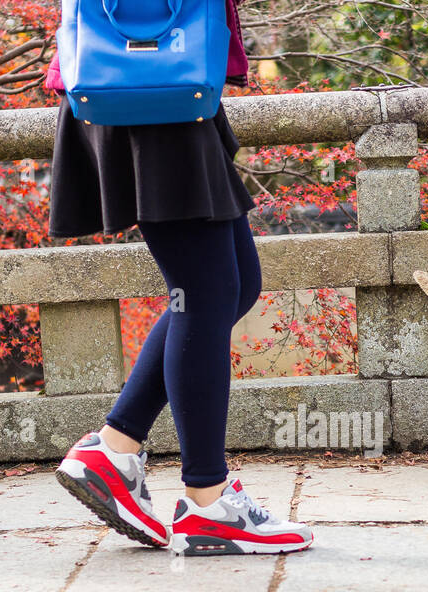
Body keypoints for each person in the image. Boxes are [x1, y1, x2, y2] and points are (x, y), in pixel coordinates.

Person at [49, 0, 313, 557]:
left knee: (233, 285)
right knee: (208, 291)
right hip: (150, 81)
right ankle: (207, 500)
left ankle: (116, 448)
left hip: (161, 76)